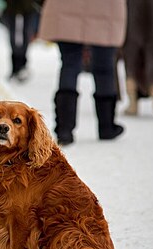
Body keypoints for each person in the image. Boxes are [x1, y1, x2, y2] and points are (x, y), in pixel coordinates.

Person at [38, 0, 126, 146]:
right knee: (104, 67)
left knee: (69, 64)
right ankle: (106, 127)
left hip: (67, 8)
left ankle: (64, 130)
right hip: (105, 10)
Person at [1, 0, 40, 82]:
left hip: (27, 10)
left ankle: (21, 66)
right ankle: (16, 66)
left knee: (23, 38)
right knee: (16, 40)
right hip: (14, 10)